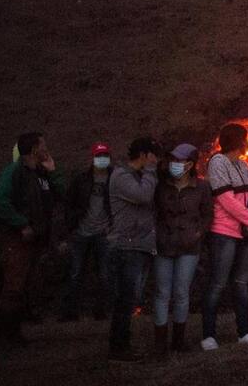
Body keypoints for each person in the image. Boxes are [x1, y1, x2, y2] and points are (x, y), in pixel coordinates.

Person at [0, 132, 65, 345]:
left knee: (25, 284)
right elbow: (0, 200)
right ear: (34, 149)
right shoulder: (15, 172)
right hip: (18, 240)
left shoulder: (41, 174)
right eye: (43, 144)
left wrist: (53, 173)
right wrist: (21, 224)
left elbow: (61, 194)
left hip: (36, 239)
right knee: (13, 285)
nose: (47, 148)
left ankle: (15, 332)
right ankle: (7, 335)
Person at [201, 123, 248, 351]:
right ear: (238, 141)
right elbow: (225, 199)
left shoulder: (243, 165)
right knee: (218, 283)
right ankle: (208, 335)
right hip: (225, 232)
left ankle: (244, 332)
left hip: (247, 232)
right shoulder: (218, 163)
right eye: (246, 139)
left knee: (241, 283)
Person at [153, 143, 211, 355]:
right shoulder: (161, 186)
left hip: (189, 247)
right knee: (161, 292)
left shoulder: (201, 187)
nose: (174, 164)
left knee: (181, 292)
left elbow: (207, 215)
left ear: (190, 164)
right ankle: (160, 343)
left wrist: (198, 233)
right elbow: (154, 212)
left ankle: (178, 340)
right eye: (173, 160)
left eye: (179, 161)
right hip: (163, 245)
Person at [107, 136, 161, 362]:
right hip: (127, 246)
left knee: (131, 297)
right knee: (126, 298)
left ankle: (122, 344)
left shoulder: (137, 176)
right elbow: (143, 196)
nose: (156, 160)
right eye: (153, 155)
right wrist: (150, 172)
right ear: (144, 155)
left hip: (141, 245)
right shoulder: (121, 176)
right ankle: (119, 348)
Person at [60, 142, 113, 322]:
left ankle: (100, 311)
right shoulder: (81, 179)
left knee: (104, 274)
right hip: (81, 232)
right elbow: (69, 203)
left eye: (105, 155)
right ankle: (69, 312)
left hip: (104, 233)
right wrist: (70, 228)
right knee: (75, 273)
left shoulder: (114, 179)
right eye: (99, 156)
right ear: (92, 158)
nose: (102, 159)